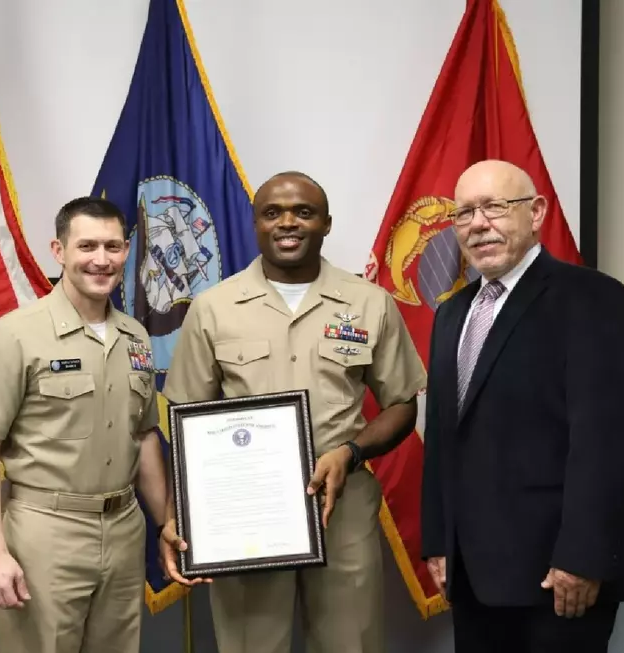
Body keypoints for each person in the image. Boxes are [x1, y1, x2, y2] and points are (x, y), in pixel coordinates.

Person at [158, 171, 427, 653]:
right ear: (255, 223)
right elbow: (188, 422)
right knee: (251, 645)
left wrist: (350, 451)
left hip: (341, 503)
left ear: (326, 224)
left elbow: (402, 405)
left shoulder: (369, 303)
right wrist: (178, 515)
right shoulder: (214, 308)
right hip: (245, 510)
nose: (288, 223)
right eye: (273, 213)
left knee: (351, 643)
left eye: (304, 212)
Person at [420, 159, 624, 653]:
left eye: (495, 207)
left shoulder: (592, 298)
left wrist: (582, 557)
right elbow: (442, 436)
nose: (479, 224)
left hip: (558, 576)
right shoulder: (451, 313)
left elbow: (607, 441)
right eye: (464, 214)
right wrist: (439, 543)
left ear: (536, 212)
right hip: (474, 575)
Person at [0, 197, 170, 653]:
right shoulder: (17, 335)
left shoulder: (136, 337)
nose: (101, 259)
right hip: (45, 532)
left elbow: (144, 437)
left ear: (127, 250)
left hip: (124, 528)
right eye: (87, 245)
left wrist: (166, 522)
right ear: (59, 250)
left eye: (113, 246)